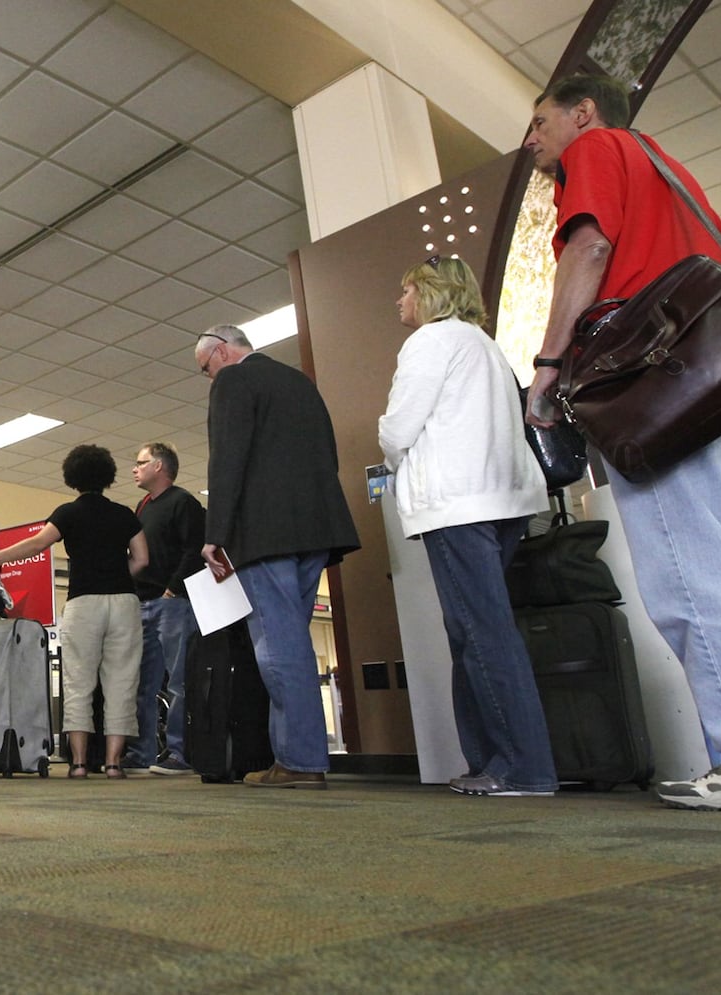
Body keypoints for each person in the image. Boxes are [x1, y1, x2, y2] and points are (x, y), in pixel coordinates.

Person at [522, 74, 721, 813]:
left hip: (656, 383)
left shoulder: (597, 148)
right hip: (718, 375)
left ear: (583, 112)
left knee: (687, 577)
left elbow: (590, 250)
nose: (532, 139)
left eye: (540, 123)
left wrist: (547, 365)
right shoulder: (665, 163)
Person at [379, 256, 555, 797]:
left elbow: (398, 427)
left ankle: (523, 767)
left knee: (481, 633)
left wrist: (389, 454)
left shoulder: (430, 342)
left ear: (430, 294)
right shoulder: (486, 346)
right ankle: (490, 762)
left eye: (406, 291)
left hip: (458, 504)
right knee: (476, 632)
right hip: (502, 499)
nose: (399, 302)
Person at [195, 324, 360, 789]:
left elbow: (227, 457)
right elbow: (326, 455)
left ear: (222, 352)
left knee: (277, 645)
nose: (210, 379)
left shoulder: (233, 381)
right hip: (315, 529)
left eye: (206, 369)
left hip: (265, 534)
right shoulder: (299, 382)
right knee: (292, 640)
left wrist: (216, 532)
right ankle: (296, 755)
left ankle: (300, 761)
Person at [0, 445, 148, 779]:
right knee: (122, 682)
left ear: (72, 476)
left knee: (78, 683)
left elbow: (37, 544)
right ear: (108, 475)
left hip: (83, 602)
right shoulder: (124, 514)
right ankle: (115, 764)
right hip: (124, 603)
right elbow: (142, 559)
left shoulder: (67, 512)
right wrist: (115, 577)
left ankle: (78, 764)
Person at [127, 442, 205, 775]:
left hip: (173, 604)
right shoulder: (142, 506)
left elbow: (194, 551)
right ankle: (143, 752)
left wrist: (173, 589)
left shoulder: (183, 503)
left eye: (141, 462)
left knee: (179, 682)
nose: (135, 468)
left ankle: (180, 753)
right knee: (144, 684)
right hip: (143, 603)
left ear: (159, 466)